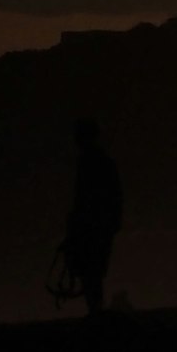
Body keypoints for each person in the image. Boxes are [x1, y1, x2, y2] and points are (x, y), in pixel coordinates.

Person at [60, 119, 122, 317]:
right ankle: (96, 309)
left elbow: (83, 197)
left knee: (89, 271)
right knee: (94, 270)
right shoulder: (104, 162)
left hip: (91, 225)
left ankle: (95, 310)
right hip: (101, 224)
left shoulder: (88, 162)